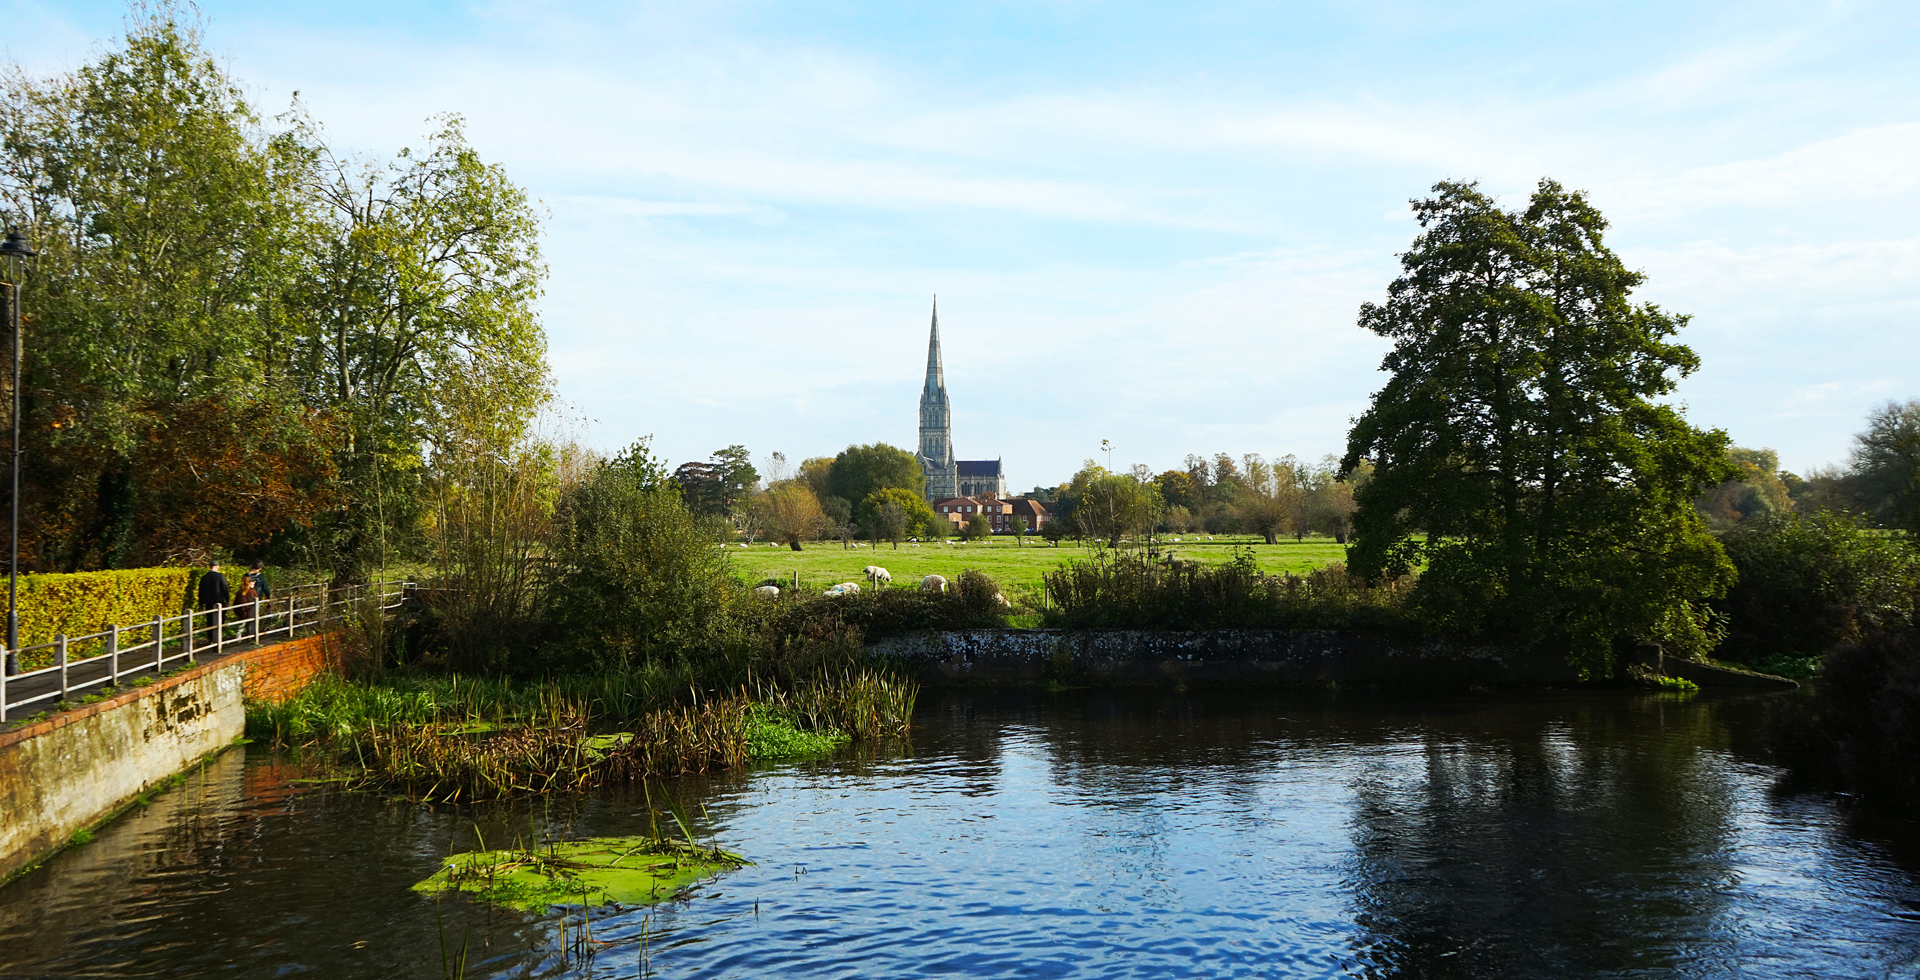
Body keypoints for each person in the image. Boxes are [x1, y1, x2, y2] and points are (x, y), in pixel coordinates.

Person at [197, 564, 230, 647]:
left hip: (208, 602)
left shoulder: (204, 577)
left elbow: (201, 591)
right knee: (220, 619)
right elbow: (224, 588)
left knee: (209, 620)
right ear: (217, 566)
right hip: (219, 601)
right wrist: (227, 600)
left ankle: (210, 638)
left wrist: (201, 602)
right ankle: (218, 637)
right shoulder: (220, 576)